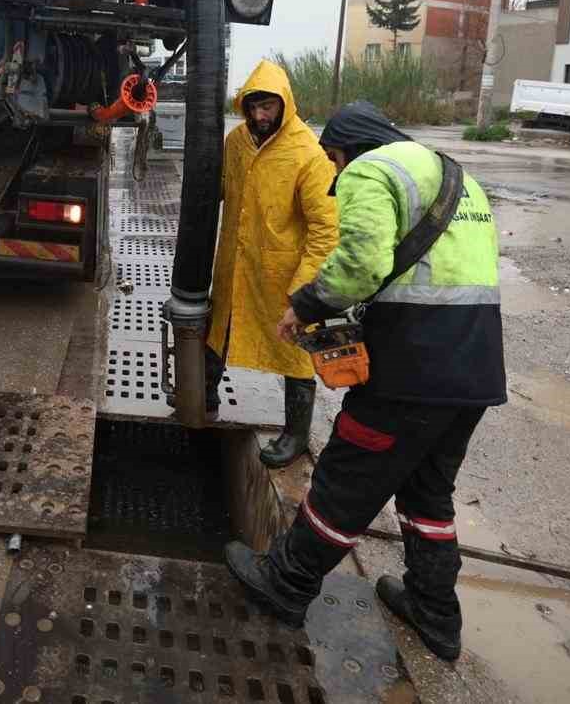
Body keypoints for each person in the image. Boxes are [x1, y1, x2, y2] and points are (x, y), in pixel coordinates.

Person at [223, 101, 506, 662]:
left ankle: (288, 581)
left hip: (411, 372)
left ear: (346, 148)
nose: (332, 167)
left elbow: (361, 263)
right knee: (428, 494)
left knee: (346, 478)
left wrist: (303, 306)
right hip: (474, 368)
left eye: (332, 157)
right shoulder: (452, 173)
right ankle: (435, 613)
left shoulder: (371, 170)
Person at [205, 61, 338, 467]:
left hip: (283, 274)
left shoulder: (308, 155)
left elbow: (326, 229)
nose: (260, 116)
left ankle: (295, 435)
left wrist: (304, 289)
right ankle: (205, 392)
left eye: (268, 107)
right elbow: (220, 190)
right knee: (220, 328)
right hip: (234, 263)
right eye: (253, 107)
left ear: (285, 105)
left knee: (295, 352)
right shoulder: (237, 142)